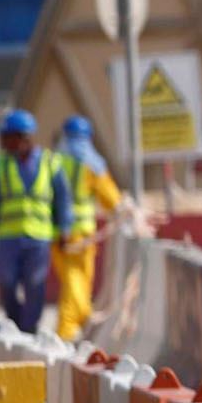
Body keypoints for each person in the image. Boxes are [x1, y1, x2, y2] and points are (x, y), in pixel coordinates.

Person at [0, 109, 72, 333]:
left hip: (39, 238)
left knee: (35, 284)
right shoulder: (0, 166)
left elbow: (63, 199)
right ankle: (15, 323)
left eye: (8, 138)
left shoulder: (51, 163)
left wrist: (65, 229)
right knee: (6, 281)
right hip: (9, 237)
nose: (4, 143)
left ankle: (29, 327)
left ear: (24, 138)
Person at [52, 115, 122, 340]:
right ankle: (69, 327)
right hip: (83, 232)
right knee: (80, 279)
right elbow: (111, 198)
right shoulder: (93, 163)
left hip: (58, 233)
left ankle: (72, 325)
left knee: (73, 280)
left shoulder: (53, 161)